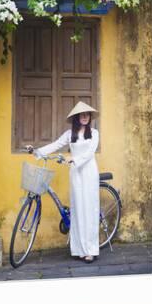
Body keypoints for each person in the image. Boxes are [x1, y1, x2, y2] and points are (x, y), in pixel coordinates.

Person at [27, 101, 100, 263]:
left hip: (88, 172)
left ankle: (91, 250)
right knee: (78, 209)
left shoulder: (94, 133)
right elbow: (55, 145)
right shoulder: (69, 134)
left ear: (90, 117)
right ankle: (80, 249)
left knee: (89, 210)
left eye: (87, 115)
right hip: (75, 174)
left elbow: (89, 153)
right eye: (82, 115)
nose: (85, 117)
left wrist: (74, 159)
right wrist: (37, 151)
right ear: (76, 117)